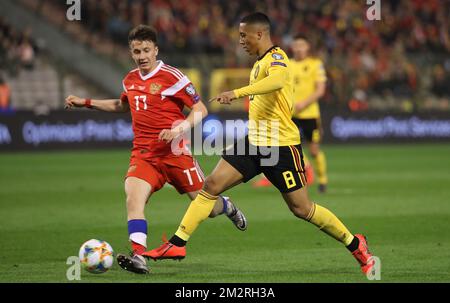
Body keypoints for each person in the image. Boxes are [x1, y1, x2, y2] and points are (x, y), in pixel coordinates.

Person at [144, 13, 375, 276]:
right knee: (210, 185)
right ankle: (177, 244)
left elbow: (276, 81)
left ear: (259, 34)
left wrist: (238, 92)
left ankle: (356, 245)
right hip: (255, 141)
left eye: (244, 35)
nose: (240, 40)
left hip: (281, 146)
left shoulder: (277, 57)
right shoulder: (259, 62)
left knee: (301, 208)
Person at [65, 25, 247, 274]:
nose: (142, 56)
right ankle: (139, 256)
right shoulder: (129, 79)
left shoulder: (173, 76)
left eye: (146, 50)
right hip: (144, 154)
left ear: (156, 50)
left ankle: (227, 206)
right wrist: (86, 103)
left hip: (175, 153)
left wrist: (179, 129)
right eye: (137, 51)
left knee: (209, 208)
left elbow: (200, 109)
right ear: (131, 52)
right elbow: (122, 106)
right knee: (133, 198)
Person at [290, 34, 328, 193]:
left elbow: (320, 90)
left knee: (313, 150)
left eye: (302, 45)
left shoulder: (315, 64)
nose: (299, 48)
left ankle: (323, 180)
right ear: (292, 47)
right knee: (291, 148)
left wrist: (304, 103)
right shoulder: (286, 65)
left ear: (307, 47)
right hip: (291, 114)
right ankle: (300, 176)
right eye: (296, 45)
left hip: (310, 114)